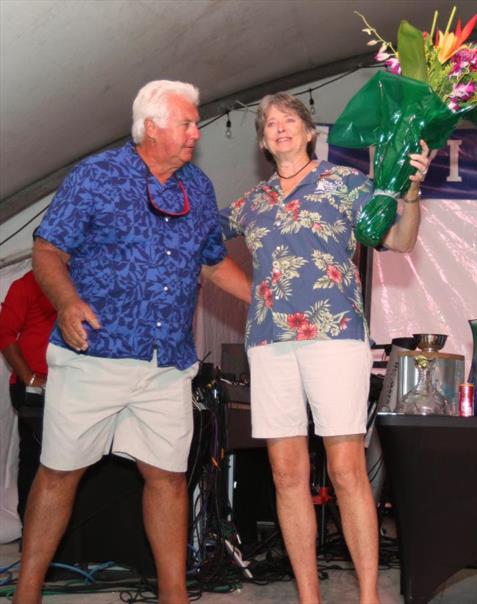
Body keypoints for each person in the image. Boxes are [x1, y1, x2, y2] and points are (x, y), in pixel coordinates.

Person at [13, 80, 251, 604]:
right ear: (151, 127)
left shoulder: (199, 187)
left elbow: (213, 262)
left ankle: (174, 595)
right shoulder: (96, 176)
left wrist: (265, 300)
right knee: (59, 474)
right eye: (186, 123)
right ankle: (26, 593)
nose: (195, 133)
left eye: (194, 123)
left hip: (167, 362)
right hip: (95, 355)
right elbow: (48, 249)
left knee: (166, 478)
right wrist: (68, 302)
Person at [221, 92, 430, 604]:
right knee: (286, 472)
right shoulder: (251, 202)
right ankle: (309, 597)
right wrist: (257, 295)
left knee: (345, 469)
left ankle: (367, 595)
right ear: (264, 141)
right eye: (270, 123)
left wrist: (411, 192)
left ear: (311, 132)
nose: (280, 127)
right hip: (270, 344)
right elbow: (201, 251)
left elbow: (399, 241)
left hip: (334, 336)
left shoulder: (346, 183)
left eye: (289, 119)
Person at [0, 270, 56, 522]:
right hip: (33, 388)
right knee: (36, 455)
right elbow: (5, 334)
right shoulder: (25, 285)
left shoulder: (79, 280)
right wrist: (30, 377)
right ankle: (31, 527)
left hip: (72, 385)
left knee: (69, 459)